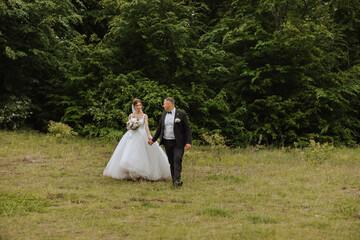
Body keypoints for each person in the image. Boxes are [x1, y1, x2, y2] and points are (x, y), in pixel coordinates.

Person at [103, 99, 171, 181]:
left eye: (140, 105)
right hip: (132, 136)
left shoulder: (145, 115)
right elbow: (127, 127)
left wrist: (149, 135)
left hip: (142, 136)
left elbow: (146, 126)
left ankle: (142, 175)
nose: (139, 107)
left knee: (142, 155)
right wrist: (132, 126)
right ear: (134, 106)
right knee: (132, 154)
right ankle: (134, 175)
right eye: (137, 105)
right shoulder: (131, 116)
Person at [148, 97, 191, 187]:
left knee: (177, 159)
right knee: (171, 161)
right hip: (167, 141)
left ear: (169, 104)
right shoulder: (164, 114)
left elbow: (187, 129)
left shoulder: (181, 114)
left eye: (164, 104)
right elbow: (160, 128)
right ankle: (174, 178)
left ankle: (177, 181)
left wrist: (188, 142)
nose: (163, 106)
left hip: (178, 142)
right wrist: (153, 139)